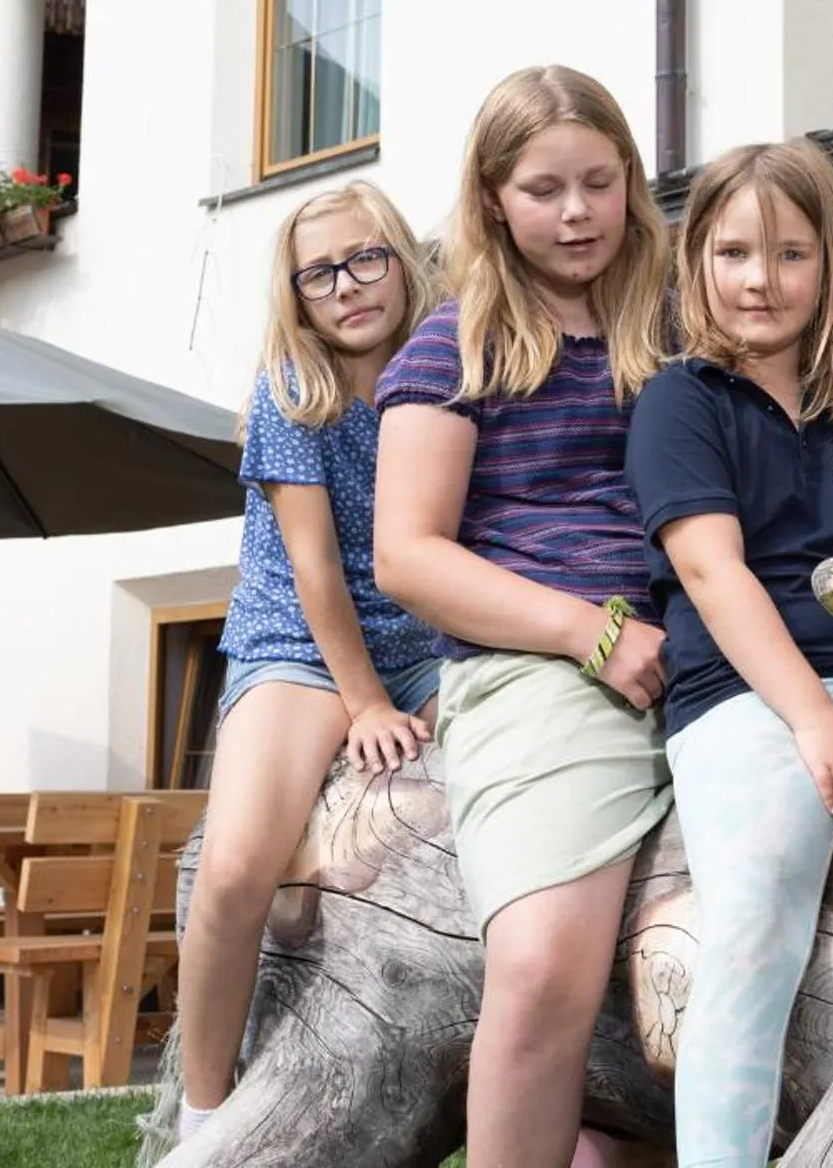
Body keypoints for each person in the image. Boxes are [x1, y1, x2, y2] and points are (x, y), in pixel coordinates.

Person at [373, 66, 674, 1168]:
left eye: (600, 180)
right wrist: (586, 632)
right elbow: (406, 554)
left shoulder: (673, 333)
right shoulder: (449, 345)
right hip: (543, 669)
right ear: (493, 196)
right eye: (544, 187)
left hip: (706, 656)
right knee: (545, 964)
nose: (578, 210)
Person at [624, 139, 833, 1168]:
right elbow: (713, 575)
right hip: (743, 693)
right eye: (735, 252)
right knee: (755, 919)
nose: (760, 279)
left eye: (789, 254)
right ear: (696, 261)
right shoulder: (680, 401)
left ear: (828, 265)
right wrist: (815, 719)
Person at [178, 180, 442, 1142]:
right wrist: (365, 703)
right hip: (300, 636)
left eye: (366, 258)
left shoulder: (451, 370)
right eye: (319, 273)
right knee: (240, 862)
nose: (348, 287)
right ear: (296, 295)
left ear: (403, 260)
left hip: (427, 635)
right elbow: (316, 568)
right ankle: (202, 1112)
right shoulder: (293, 387)